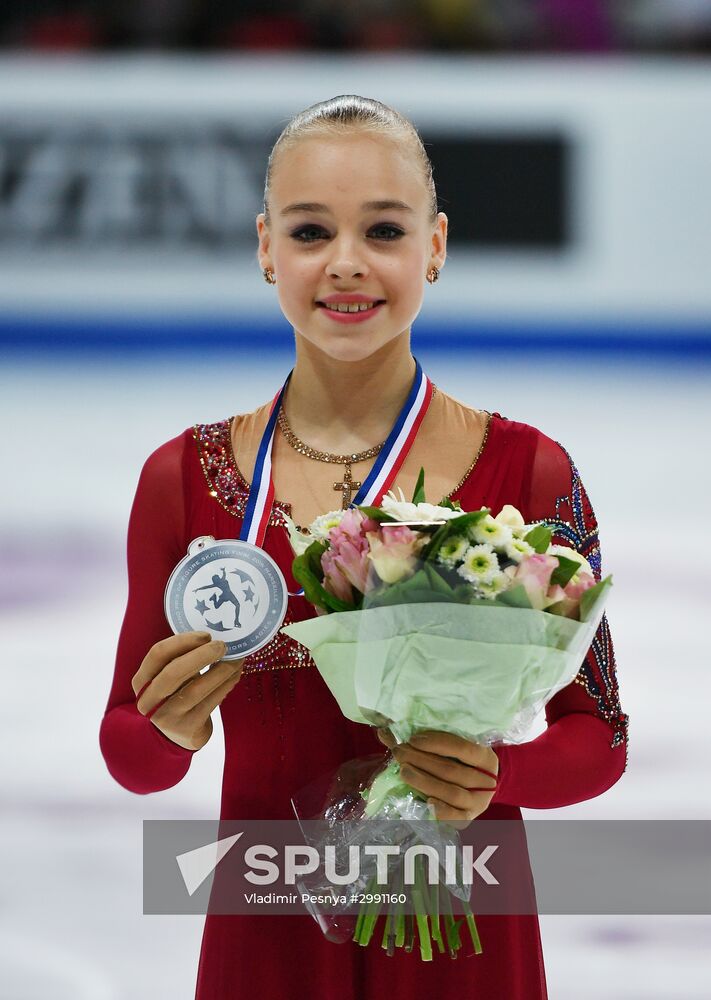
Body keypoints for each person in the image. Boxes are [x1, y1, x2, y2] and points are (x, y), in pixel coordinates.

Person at [99, 94, 629, 999]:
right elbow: (129, 752)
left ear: (435, 245)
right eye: (311, 232)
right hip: (266, 939)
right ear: (267, 248)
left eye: (383, 229)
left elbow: (600, 737)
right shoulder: (181, 480)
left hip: (462, 943)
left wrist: (496, 778)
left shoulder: (530, 471)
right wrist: (166, 727)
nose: (346, 264)